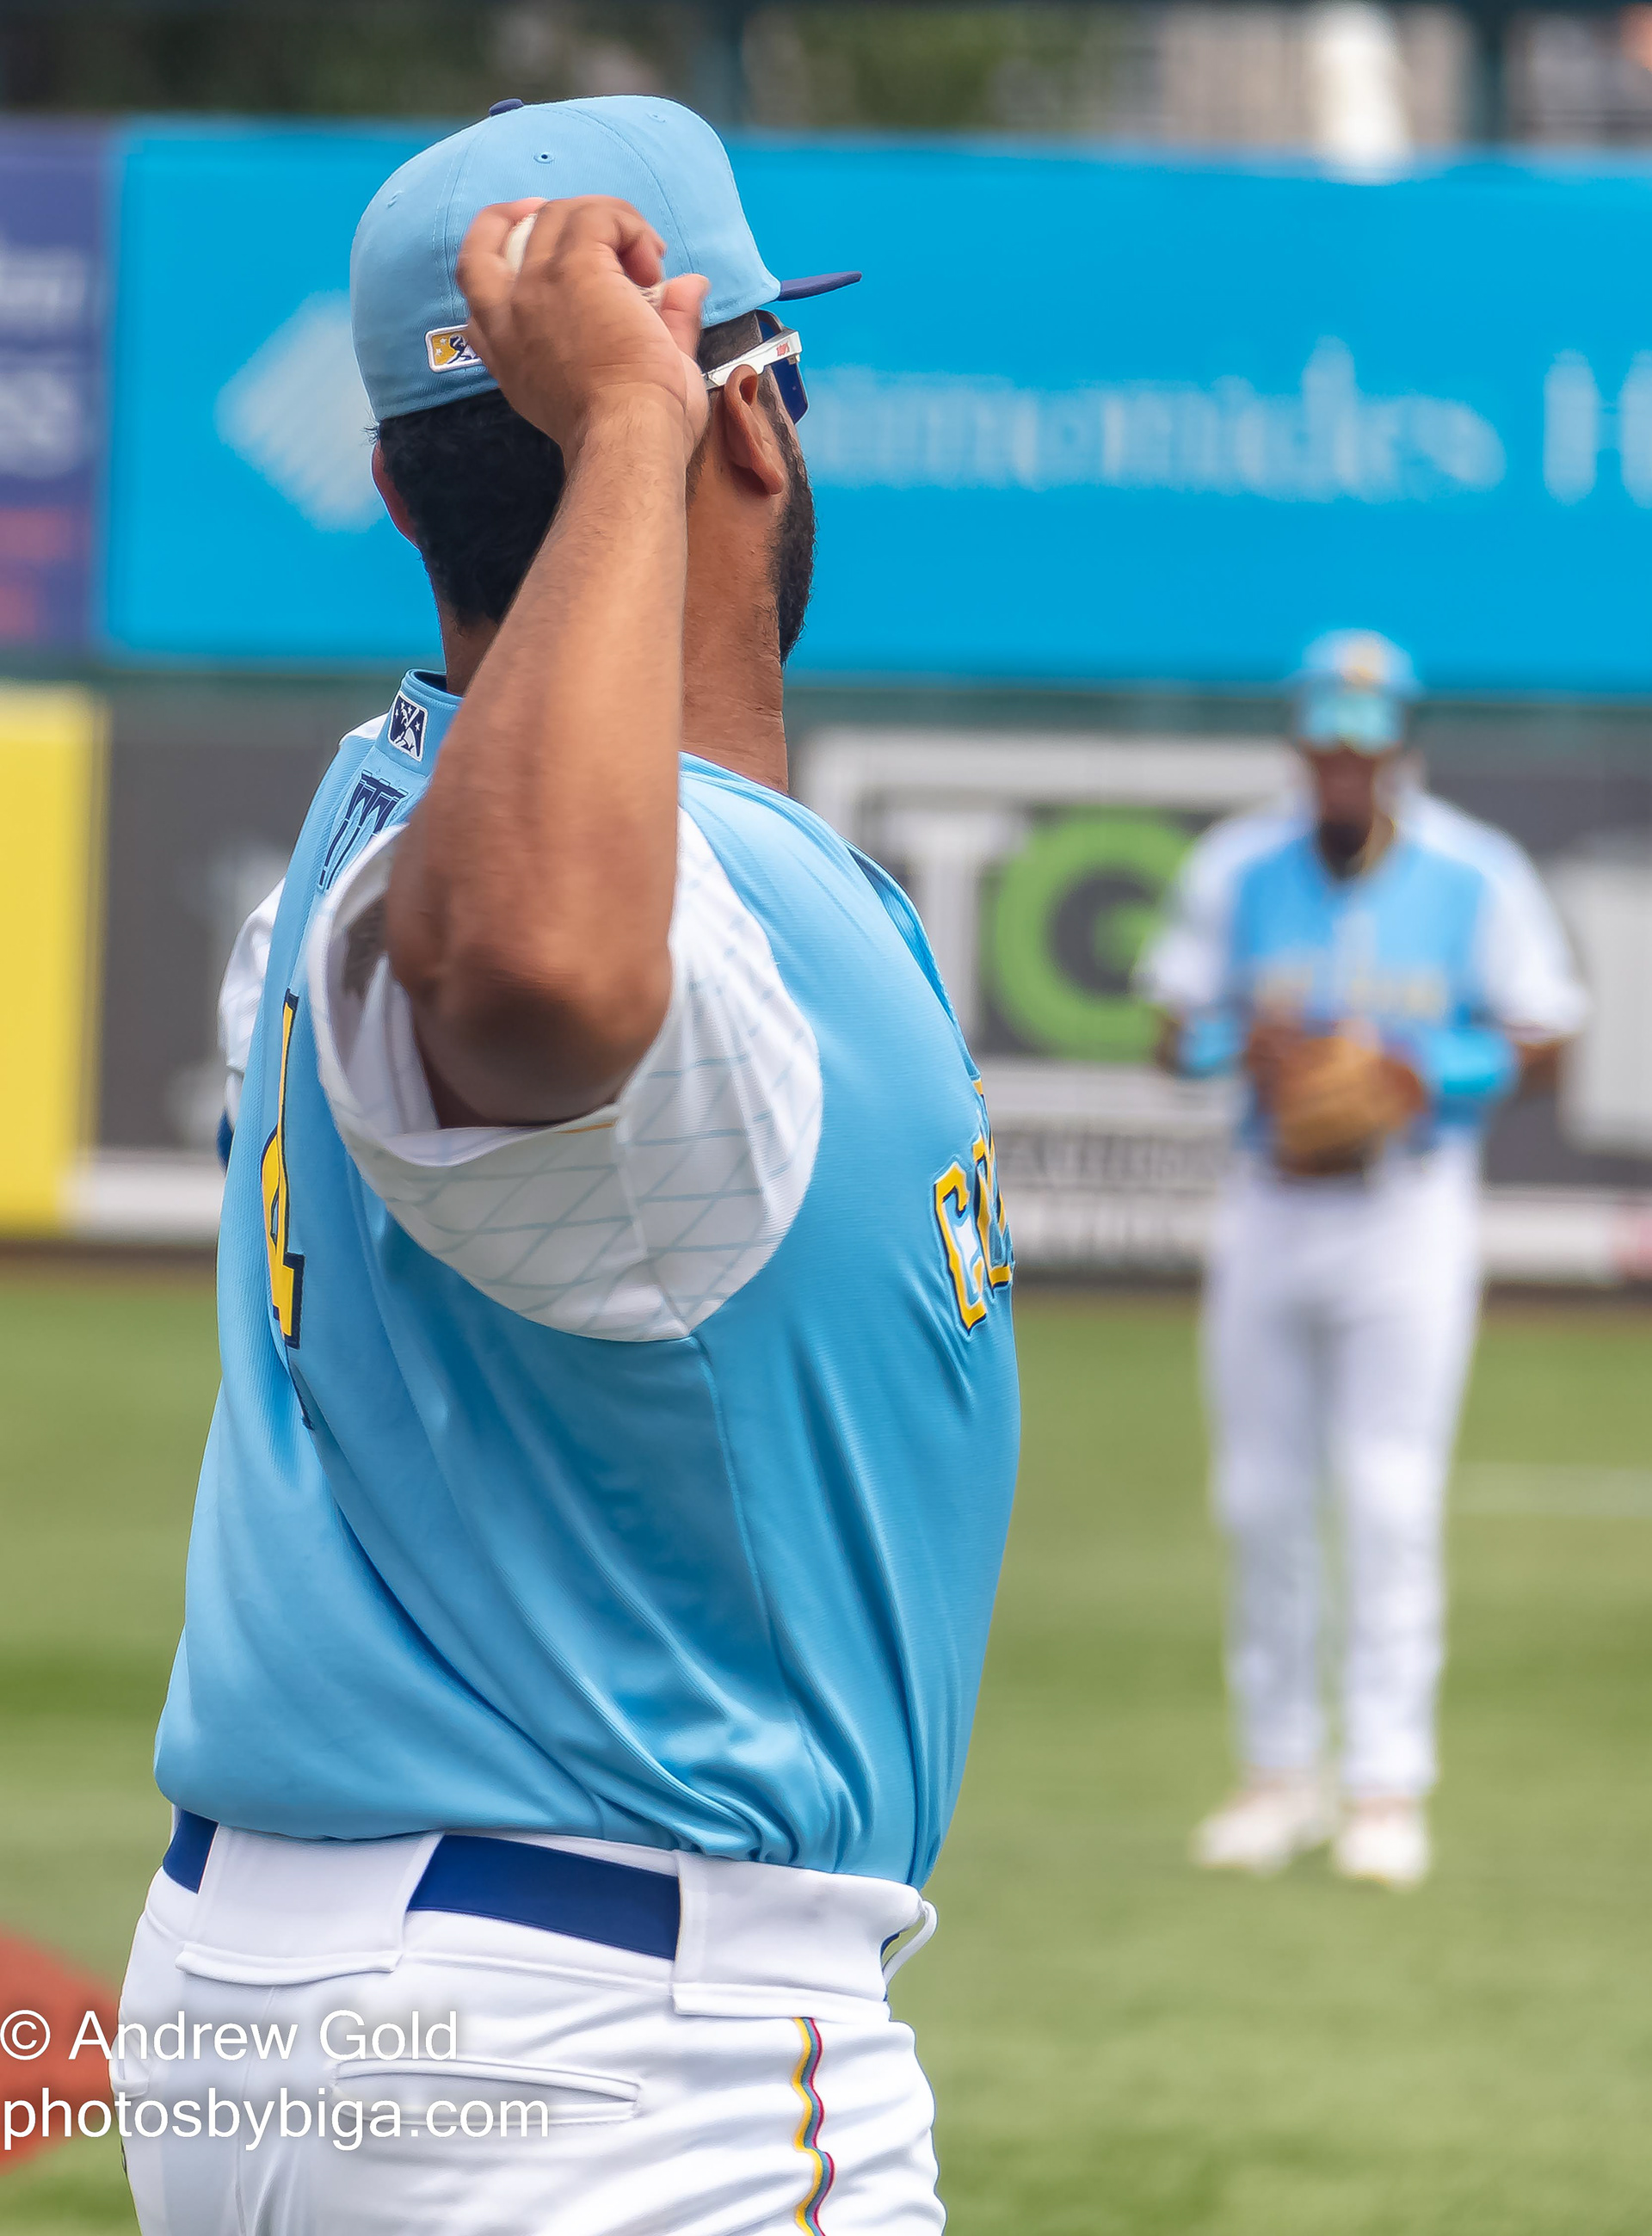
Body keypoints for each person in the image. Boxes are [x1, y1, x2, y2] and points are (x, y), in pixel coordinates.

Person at [117, 97, 1019, 2236]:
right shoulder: (636, 920)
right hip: (615, 2042)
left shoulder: (374, 815)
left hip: (298, 1996)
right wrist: (634, 424)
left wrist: (597, 431)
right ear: (759, 430)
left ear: (402, 493)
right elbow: (528, 977)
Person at [1137, 631, 1585, 1891]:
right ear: (1301, 748)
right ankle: (1279, 1773)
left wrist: (1423, 1071)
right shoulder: (1240, 865)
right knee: (1261, 1496)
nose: (1345, 769)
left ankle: (1385, 1783)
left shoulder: (1474, 872)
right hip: (1270, 1201)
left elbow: (1545, 1032)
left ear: (1401, 751)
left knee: (1389, 1497)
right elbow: (1175, 1029)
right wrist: (1246, 1048)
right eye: (1327, 748)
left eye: (1367, 749)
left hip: (1408, 1207)